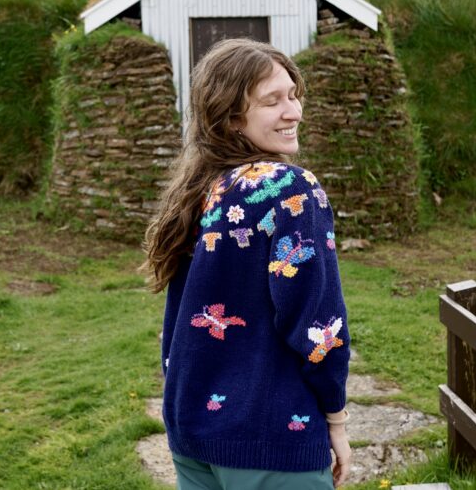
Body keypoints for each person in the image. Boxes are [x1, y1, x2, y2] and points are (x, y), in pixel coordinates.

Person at [143, 38, 352, 489]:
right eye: (272, 101)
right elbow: (318, 325)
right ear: (232, 118)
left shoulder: (200, 189)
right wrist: (336, 416)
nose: (293, 112)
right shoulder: (291, 190)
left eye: (293, 95)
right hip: (273, 438)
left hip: (191, 429)